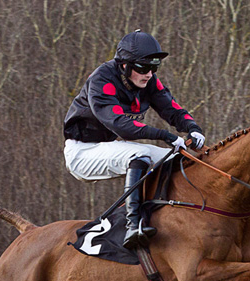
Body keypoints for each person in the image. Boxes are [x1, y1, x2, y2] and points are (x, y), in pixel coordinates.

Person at [63, 30, 206, 249]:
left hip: (109, 146)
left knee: (179, 158)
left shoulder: (148, 81)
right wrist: (166, 136)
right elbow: (122, 126)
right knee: (140, 154)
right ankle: (133, 225)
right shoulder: (102, 79)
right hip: (82, 153)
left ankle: (167, 216)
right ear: (124, 65)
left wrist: (193, 128)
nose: (148, 74)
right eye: (142, 67)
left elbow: (173, 109)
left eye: (153, 67)